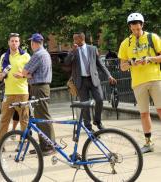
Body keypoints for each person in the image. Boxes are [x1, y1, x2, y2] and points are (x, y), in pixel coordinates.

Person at [118, 12, 161, 153]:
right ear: (130, 27)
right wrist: (131, 62)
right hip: (138, 82)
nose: (136, 31)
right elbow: (122, 67)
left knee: (160, 110)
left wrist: (149, 59)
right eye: (133, 29)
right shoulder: (125, 43)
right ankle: (148, 143)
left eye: (138, 28)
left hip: (155, 79)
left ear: (142, 25)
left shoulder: (152, 37)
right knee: (144, 113)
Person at [0, 33, 30, 154]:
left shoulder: (26, 56)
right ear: (8, 42)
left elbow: (32, 73)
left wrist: (22, 75)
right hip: (8, 93)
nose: (14, 43)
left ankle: (23, 144)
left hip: (22, 92)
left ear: (19, 43)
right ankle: (0, 145)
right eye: (12, 41)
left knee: (24, 120)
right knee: (4, 119)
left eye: (16, 41)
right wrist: (0, 75)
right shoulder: (4, 57)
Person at [65, 32, 116, 131]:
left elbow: (100, 64)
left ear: (81, 39)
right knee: (85, 105)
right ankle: (88, 127)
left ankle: (98, 121)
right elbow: (67, 62)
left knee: (100, 99)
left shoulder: (92, 49)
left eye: (75, 39)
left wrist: (109, 75)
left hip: (93, 79)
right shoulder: (73, 51)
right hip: (81, 81)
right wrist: (72, 52)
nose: (74, 41)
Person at [21, 33, 55, 156]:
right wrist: (29, 75)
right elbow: (28, 73)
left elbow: (24, 72)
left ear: (33, 43)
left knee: (43, 117)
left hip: (39, 88)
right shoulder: (45, 53)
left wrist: (27, 75)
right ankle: (43, 146)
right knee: (40, 117)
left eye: (31, 42)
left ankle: (50, 146)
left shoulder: (37, 55)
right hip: (42, 87)